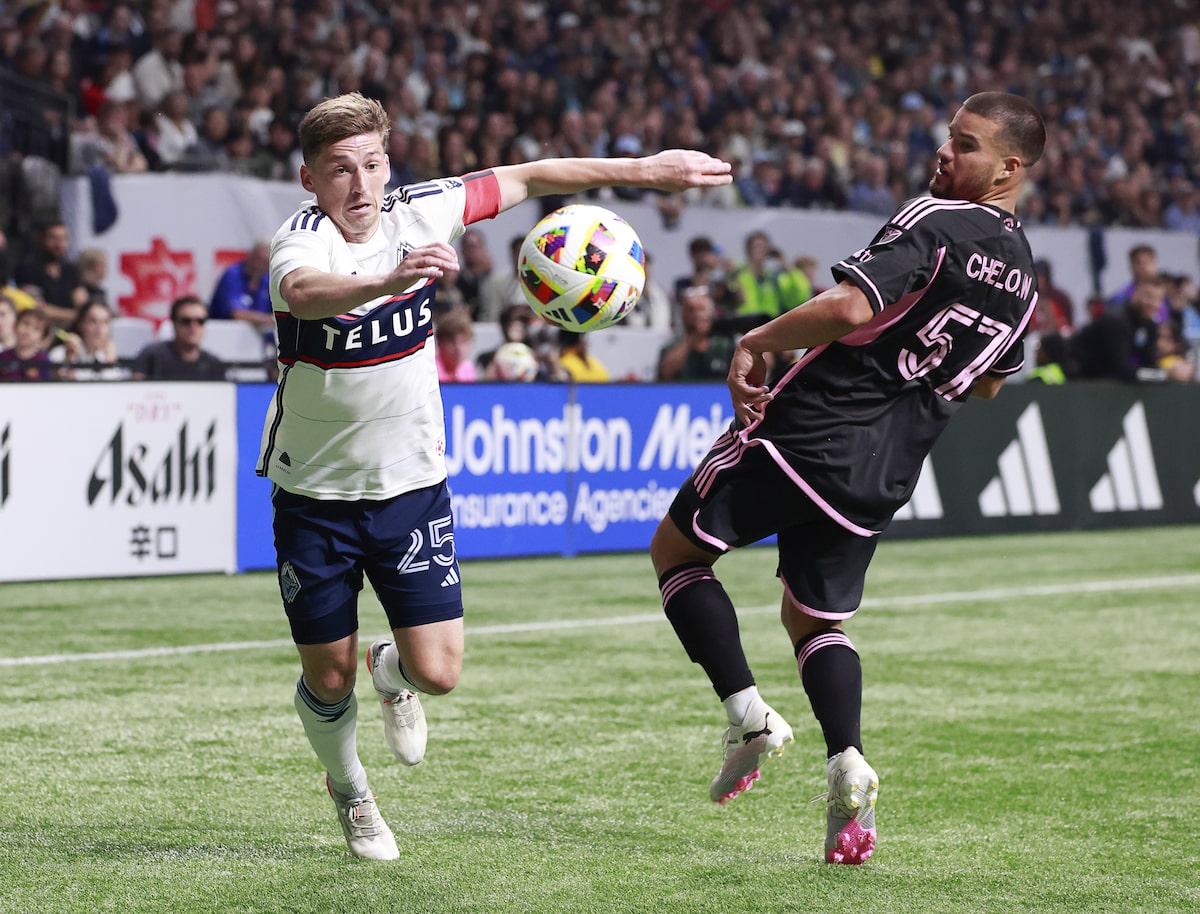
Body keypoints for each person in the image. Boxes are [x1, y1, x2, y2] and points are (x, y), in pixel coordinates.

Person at [257, 91, 731, 861]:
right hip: (313, 494)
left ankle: (393, 670)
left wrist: (646, 169)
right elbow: (303, 294)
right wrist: (390, 281)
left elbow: (533, 175)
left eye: (372, 163)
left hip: (410, 487)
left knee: (438, 674)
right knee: (327, 674)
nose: (360, 185)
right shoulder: (302, 240)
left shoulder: (423, 209)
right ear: (310, 178)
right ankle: (349, 792)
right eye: (339, 170)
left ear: (388, 161)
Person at [649, 92, 1046, 865]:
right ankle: (848, 765)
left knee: (678, 553)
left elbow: (846, 304)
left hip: (811, 430)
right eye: (948, 137)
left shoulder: (934, 218)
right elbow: (991, 383)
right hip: (887, 469)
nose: (945, 153)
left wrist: (757, 339)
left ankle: (748, 717)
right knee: (815, 623)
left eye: (965, 144)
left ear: (1009, 166)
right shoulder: (1027, 274)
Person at [1070, 275, 1167, 382]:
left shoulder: (1149, 325)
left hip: (1103, 377)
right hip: (1078, 376)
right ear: (1135, 293)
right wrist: (1163, 375)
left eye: (1158, 299)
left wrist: (1165, 373)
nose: (1153, 304)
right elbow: (1121, 368)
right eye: (1148, 296)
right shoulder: (1116, 320)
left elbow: (1149, 363)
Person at [129, 295, 227, 380]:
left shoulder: (214, 365)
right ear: (174, 323)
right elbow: (136, 391)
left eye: (200, 321)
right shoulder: (152, 356)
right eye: (186, 321)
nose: (193, 327)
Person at [13, 220, 87, 329]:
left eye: (63, 239)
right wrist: (75, 315)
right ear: (42, 239)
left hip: (72, 332)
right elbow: (37, 308)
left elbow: (83, 304)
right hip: (41, 331)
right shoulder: (27, 269)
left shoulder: (70, 270)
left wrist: (79, 314)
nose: (59, 244)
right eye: (54, 238)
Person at [656, 285, 738, 382]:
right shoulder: (670, 347)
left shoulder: (725, 347)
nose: (696, 315)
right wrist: (692, 338)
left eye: (701, 309)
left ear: (711, 312)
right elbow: (664, 375)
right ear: (683, 315)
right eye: (691, 310)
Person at [209, 240, 275, 336]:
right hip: (223, 336)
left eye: (265, 262)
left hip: (256, 339)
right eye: (257, 259)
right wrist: (271, 320)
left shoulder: (269, 280)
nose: (259, 265)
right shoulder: (233, 274)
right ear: (249, 256)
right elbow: (236, 314)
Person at [52, 300, 127, 380]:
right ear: (81, 324)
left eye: (105, 322)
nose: (99, 328)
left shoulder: (107, 356)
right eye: (93, 321)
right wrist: (69, 361)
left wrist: (110, 364)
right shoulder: (60, 354)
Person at [0, 306, 56, 381]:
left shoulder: (43, 360)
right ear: (15, 325)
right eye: (26, 323)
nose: (28, 332)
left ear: (43, 337)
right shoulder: (3, 357)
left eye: (36, 328)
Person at [433, 306, 477, 382]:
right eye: (451, 341)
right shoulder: (431, 370)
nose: (458, 348)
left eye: (464, 341)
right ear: (439, 342)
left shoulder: (468, 368)